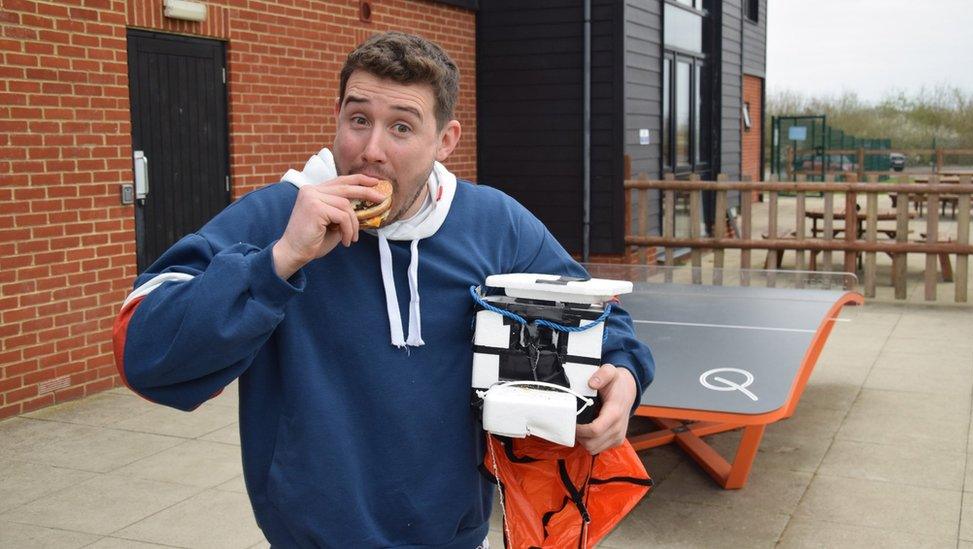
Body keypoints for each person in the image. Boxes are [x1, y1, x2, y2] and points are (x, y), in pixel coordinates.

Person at [112, 31, 653, 548]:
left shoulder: (496, 224)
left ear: (445, 140)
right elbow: (143, 353)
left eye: (401, 127)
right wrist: (279, 262)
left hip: (456, 537)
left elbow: (596, 321)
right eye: (358, 119)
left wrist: (624, 375)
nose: (371, 149)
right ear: (337, 120)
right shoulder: (277, 216)